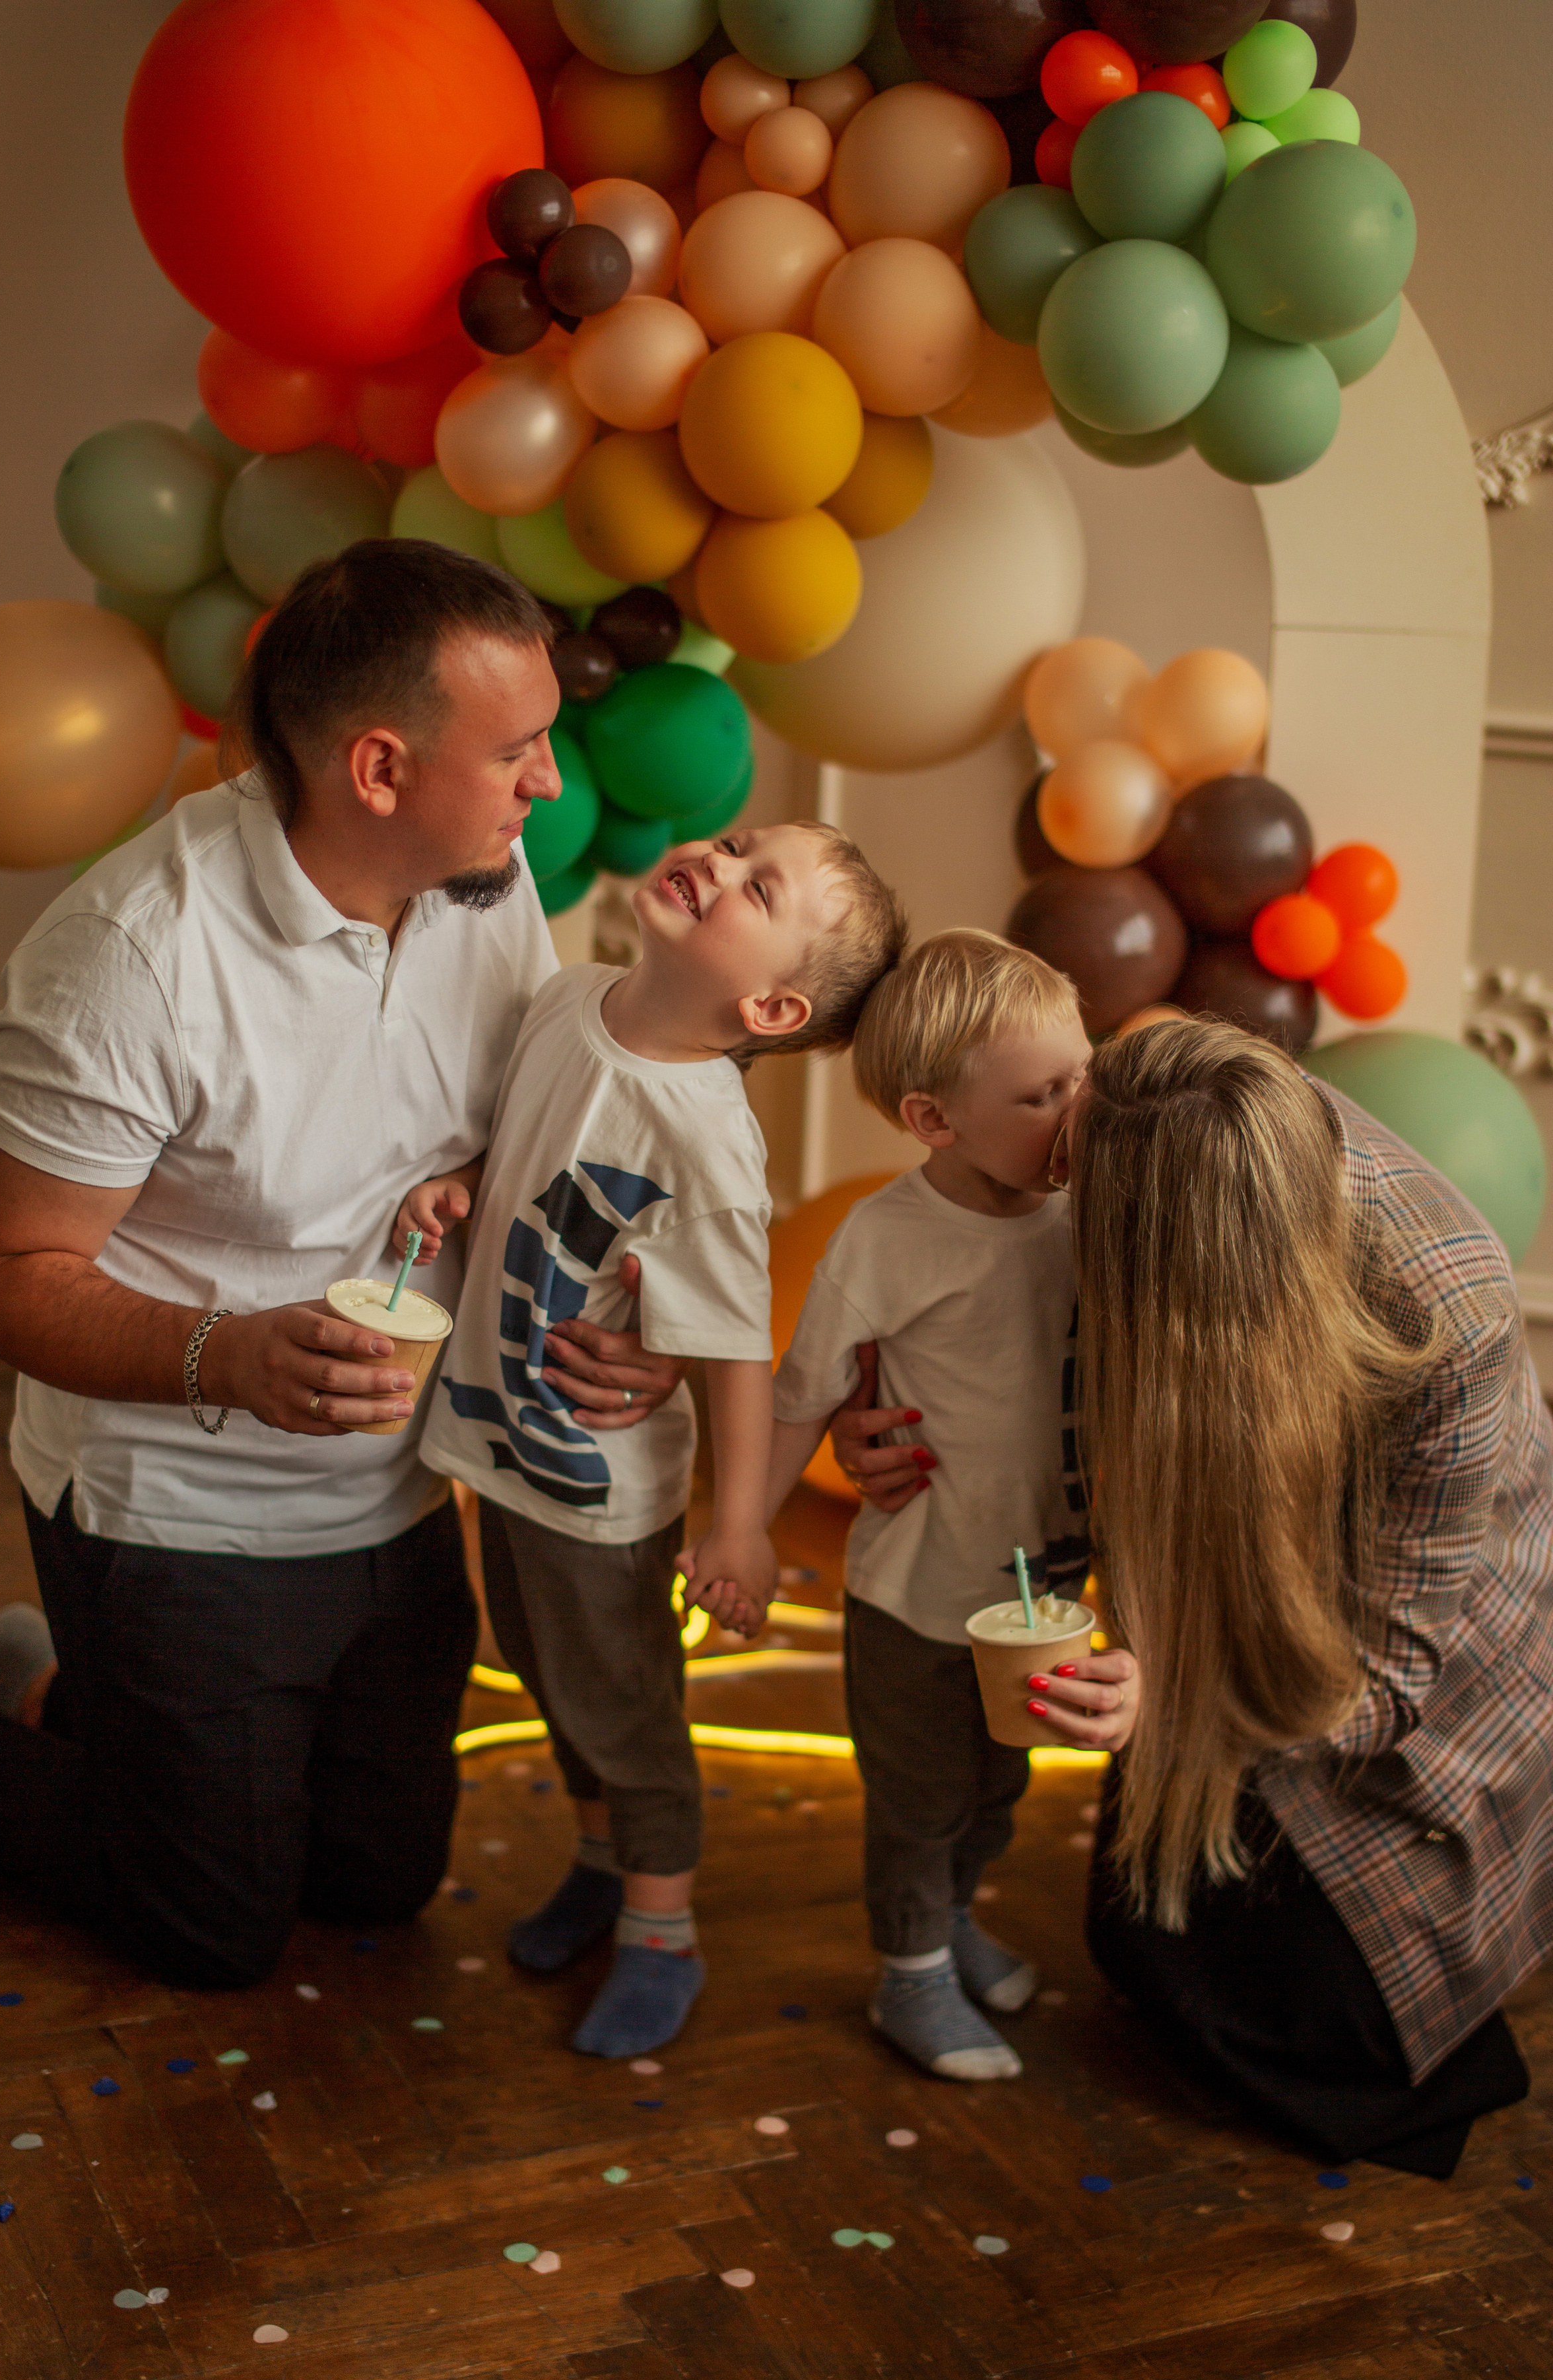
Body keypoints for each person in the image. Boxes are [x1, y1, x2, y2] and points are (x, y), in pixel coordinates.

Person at [0, 539, 683, 1990]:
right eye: (517, 749)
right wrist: (227, 1357)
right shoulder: (129, 955)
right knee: (215, 1933)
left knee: (376, 1882)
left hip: (400, 1485)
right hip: (182, 1517)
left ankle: (66, 1701)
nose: (549, 785)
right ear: (378, 769)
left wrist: (618, 1313)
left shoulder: (487, 885)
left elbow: (513, 1128)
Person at [834, 1013, 1552, 2179]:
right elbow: (966, 1296)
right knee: (1143, 1936)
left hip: (1431, 1665)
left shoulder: (1447, 1321)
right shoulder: (1141, 1101)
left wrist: (1173, 1708)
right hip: (1232, 1639)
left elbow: (1395, 1677)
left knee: (1311, 2020)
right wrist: (868, 1408)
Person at [415, 820, 906, 2057]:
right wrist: (463, 1178)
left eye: (759, 884)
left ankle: (661, 1927)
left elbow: (738, 1344)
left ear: (774, 1003)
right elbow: (524, 1138)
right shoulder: (566, 999)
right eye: (737, 842)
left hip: (600, 1480)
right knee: (541, 1667)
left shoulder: (705, 1135)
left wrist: (739, 1521)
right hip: (501, 1437)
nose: (720, 860)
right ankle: (598, 1859)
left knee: (626, 1703)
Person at [764, 932, 1091, 2083]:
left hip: (1038, 1586)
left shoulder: (1083, 1212)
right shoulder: (889, 1238)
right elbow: (800, 1392)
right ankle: (909, 1976)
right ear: (936, 1120)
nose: (1076, 1109)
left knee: (1001, 1783)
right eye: (1043, 1094)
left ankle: (951, 1923)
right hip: (913, 1592)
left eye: (1081, 1076)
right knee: (919, 1798)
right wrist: (741, 1534)